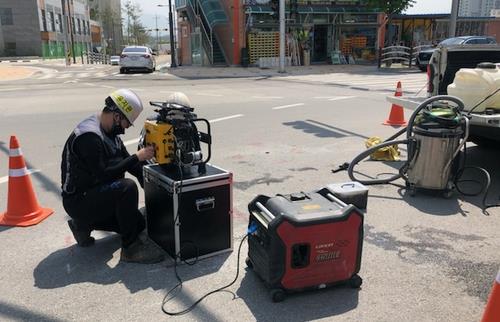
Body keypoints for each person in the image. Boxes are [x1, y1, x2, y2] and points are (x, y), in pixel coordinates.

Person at [60, 89, 165, 264]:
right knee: (127, 187)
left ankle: (81, 225)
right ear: (117, 116)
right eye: (127, 123)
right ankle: (130, 249)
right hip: (78, 200)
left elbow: (130, 164)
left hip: (96, 195)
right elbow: (103, 174)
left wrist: (152, 183)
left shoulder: (109, 133)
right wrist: (137, 156)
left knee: (138, 224)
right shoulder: (90, 136)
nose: (125, 129)